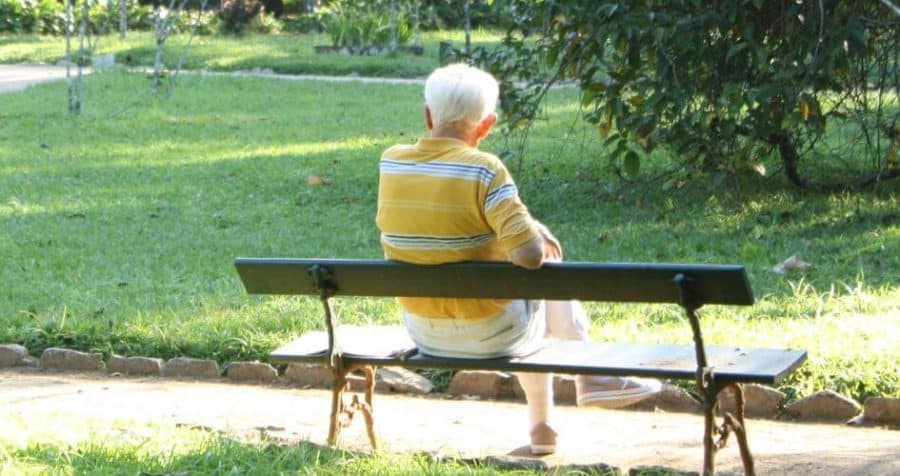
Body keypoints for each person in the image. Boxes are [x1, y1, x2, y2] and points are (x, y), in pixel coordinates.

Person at [375, 63, 660, 455]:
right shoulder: (485, 169)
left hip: (423, 332)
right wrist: (535, 232)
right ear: (486, 125)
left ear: (428, 116)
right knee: (543, 279)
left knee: (526, 303)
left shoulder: (391, 162)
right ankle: (587, 377)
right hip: (493, 334)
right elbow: (529, 256)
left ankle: (547, 428)